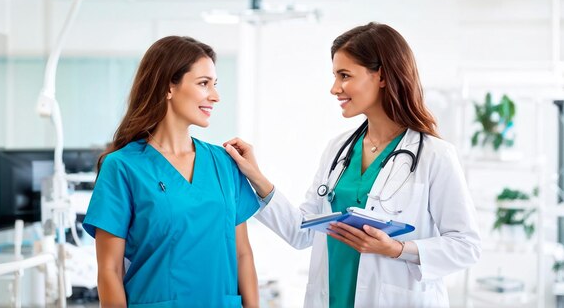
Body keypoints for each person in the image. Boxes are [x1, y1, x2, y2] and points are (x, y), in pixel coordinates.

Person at [223, 22, 481, 308]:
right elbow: (302, 231)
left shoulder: (434, 155)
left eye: (344, 76)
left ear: (381, 76)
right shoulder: (338, 149)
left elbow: (466, 245)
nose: (335, 89)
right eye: (335, 76)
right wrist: (256, 177)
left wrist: (397, 249)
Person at [83, 36, 260, 308]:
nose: (215, 96)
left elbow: (242, 254)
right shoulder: (122, 167)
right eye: (204, 83)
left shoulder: (224, 163)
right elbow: (109, 270)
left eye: (215, 84)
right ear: (168, 87)